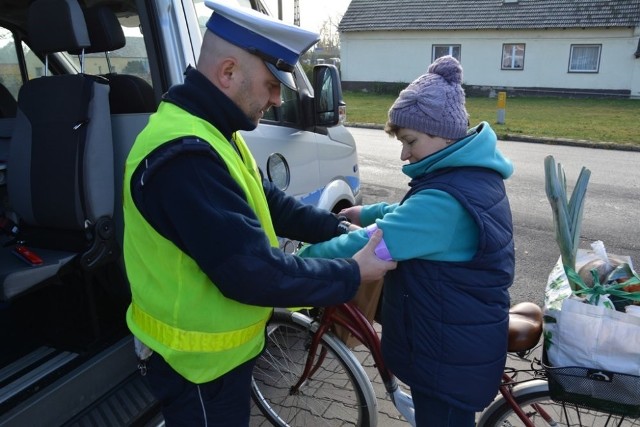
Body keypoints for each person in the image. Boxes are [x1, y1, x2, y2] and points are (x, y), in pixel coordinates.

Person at [121, 1, 397, 425]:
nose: (276, 98)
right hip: (195, 367)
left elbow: (269, 201)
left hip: (217, 357)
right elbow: (254, 272)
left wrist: (338, 225)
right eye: (271, 84)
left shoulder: (212, 130)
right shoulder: (185, 156)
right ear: (228, 73)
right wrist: (352, 272)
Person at [298, 55, 515, 426]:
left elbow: (371, 244)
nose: (403, 153)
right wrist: (367, 212)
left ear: (443, 133)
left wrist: (306, 258)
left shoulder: (444, 202)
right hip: (455, 338)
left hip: (446, 357)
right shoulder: (469, 174)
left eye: (410, 140)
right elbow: (412, 212)